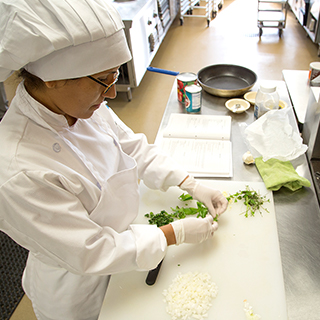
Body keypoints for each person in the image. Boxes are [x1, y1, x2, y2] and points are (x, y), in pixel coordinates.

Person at [0, 1, 228, 319]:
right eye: (103, 80)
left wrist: (188, 182)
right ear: (52, 78)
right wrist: (173, 234)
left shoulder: (80, 104)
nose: (110, 94)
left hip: (130, 253)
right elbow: (89, 250)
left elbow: (130, 146)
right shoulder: (18, 168)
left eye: (114, 76)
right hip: (79, 291)